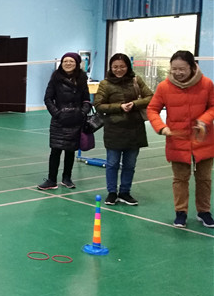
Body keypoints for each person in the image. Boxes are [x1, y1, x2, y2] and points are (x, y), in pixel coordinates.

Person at [147, 50, 214, 229]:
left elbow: (213, 107)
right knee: (180, 179)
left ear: (192, 67)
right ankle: (180, 212)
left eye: (182, 69)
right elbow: (152, 109)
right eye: (174, 69)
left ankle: (204, 212)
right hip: (177, 141)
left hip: (203, 140)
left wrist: (203, 120)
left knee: (204, 179)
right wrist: (161, 127)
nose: (177, 72)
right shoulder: (164, 87)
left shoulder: (207, 84)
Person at [94, 53, 153, 206]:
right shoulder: (105, 84)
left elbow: (150, 97)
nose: (118, 70)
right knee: (112, 163)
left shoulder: (136, 80)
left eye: (122, 66)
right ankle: (112, 193)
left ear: (128, 67)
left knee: (130, 164)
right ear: (110, 67)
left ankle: (125, 192)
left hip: (135, 128)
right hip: (114, 129)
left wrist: (134, 104)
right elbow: (98, 105)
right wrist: (119, 107)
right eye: (115, 67)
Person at [38, 52, 91, 190]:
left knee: (70, 151)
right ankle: (51, 180)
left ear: (76, 63)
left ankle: (67, 178)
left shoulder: (82, 79)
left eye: (71, 61)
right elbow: (48, 99)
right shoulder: (55, 79)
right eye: (65, 61)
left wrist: (82, 113)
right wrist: (57, 114)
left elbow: (86, 99)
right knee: (55, 150)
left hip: (75, 120)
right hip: (59, 121)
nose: (68, 63)